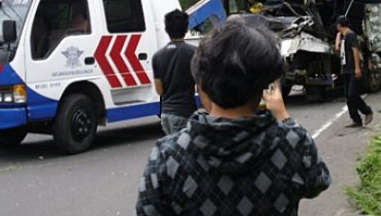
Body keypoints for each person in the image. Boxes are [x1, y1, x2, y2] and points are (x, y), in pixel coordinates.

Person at [136, 20, 331, 215]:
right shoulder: (293, 144)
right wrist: (283, 115)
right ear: (265, 84)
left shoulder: (168, 155)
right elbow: (318, 181)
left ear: (200, 84)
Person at [152, 9, 197, 135]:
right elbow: (201, 86)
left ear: (166, 29)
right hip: (184, 112)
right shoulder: (194, 53)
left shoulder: (157, 56)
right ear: (187, 28)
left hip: (165, 113)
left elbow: (159, 91)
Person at [335, 16, 373, 128]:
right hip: (345, 69)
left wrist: (357, 67)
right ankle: (356, 119)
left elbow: (355, 51)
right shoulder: (344, 37)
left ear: (339, 25)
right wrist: (338, 36)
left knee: (353, 94)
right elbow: (337, 49)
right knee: (348, 96)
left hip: (352, 69)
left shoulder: (351, 35)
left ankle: (367, 111)